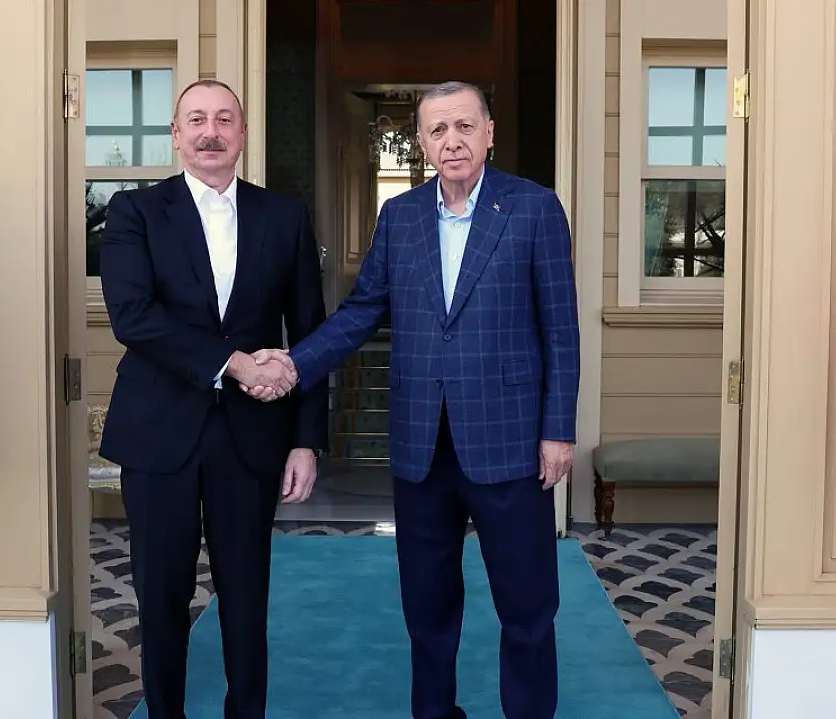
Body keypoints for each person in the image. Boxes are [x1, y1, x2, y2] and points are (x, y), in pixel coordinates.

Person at [246, 80, 579, 719]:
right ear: (422, 142)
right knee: (426, 607)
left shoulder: (535, 209)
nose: (451, 141)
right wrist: (293, 363)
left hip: (512, 440)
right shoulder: (399, 217)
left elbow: (560, 329)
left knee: (528, 608)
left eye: (464, 126)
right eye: (437, 130)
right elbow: (362, 310)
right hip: (421, 445)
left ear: (489, 133)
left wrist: (557, 430)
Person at [97, 78, 329, 719]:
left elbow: (309, 334)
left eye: (225, 119)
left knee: (247, 597)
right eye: (196, 119)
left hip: (253, 437)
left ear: (242, 133)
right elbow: (133, 317)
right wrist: (233, 363)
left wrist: (306, 439)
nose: (211, 132)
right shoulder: (134, 212)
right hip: (158, 434)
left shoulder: (284, 216)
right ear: (176, 134)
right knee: (161, 597)